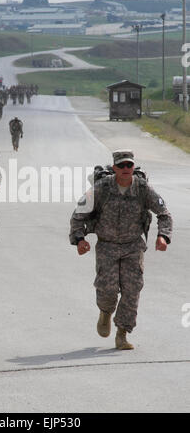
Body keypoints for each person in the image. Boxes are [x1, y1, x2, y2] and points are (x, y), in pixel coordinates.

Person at [69, 150, 173, 350]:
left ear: (133, 168)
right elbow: (78, 214)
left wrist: (163, 236)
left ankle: (122, 334)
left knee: (132, 289)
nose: (126, 169)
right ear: (115, 168)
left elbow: (164, 213)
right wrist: (79, 239)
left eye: (129, 165)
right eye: (122, 165)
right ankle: (106, 313)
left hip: (133, 246)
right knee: (107, 289)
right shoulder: (101, 188)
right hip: (107, 245)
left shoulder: (143, 189)